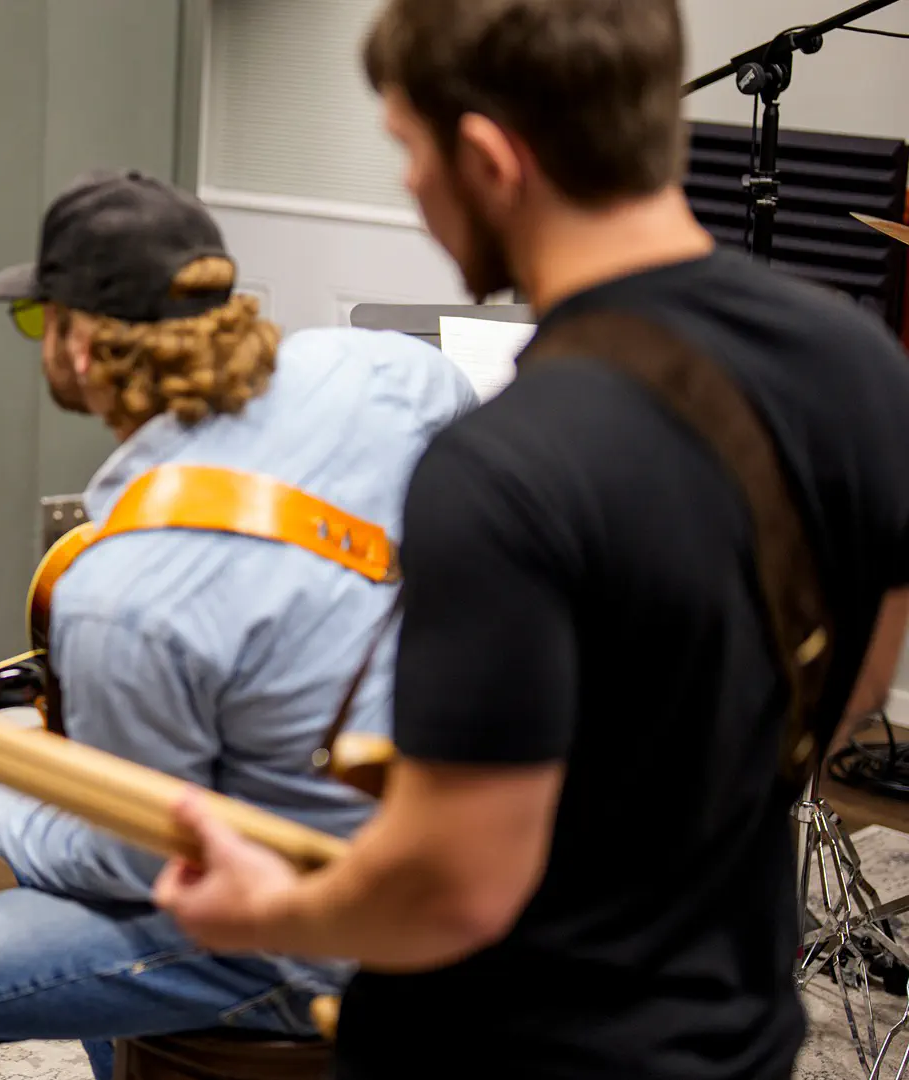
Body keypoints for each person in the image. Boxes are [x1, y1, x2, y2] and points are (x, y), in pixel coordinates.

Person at [150, 2, 909, 1078]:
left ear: (490, 158)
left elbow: (454, 893)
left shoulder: (502, 468)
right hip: (739, 1036)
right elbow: (857, 684)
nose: (410, 187)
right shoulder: (863, 364)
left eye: (409, 150)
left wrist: (266, 910)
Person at [0, 168, 477, 1080]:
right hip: (455, 836)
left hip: (313, 934)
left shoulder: (122, 590)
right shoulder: (380, 371)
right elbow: (476, 432)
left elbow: (139, 865)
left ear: (81, 346)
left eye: (38, 319)